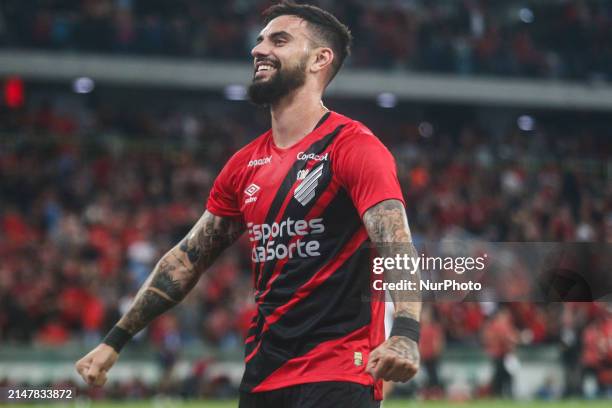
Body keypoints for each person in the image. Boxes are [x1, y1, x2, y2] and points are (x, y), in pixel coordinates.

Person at [75, 2, 422, 407]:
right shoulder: (243, 165)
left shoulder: (354, 146)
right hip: (262, 376)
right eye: (259, 41)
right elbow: (186, 260)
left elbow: (395, 243)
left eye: (279, 40)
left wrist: (407, 331)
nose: (259, 50)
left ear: (320, 59)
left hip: (340, 370)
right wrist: (115, 341)